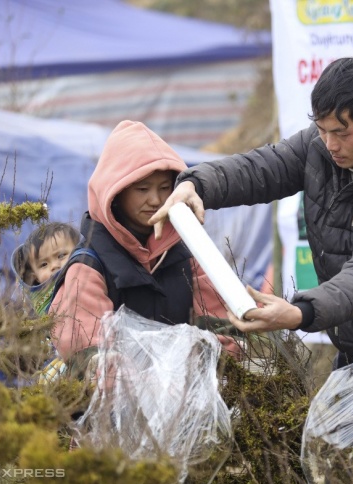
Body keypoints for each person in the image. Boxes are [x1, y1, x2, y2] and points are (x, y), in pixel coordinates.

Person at [150, 57, 353, 369]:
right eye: (322, 130)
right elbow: (264, 168)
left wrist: (300, 313)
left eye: (342, 133)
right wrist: (197, 184)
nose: (330, 144)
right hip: (352, 349)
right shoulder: (320, 146)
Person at [49, 120, 241, 380]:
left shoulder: (187, 255)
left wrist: (207, 360)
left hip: (185, 402)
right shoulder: (88, 265)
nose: (156, 200)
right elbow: (85, 351)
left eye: (165, 188)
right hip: (113, 412)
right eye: (142, 189)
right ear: (115, 193)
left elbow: (224, 330)